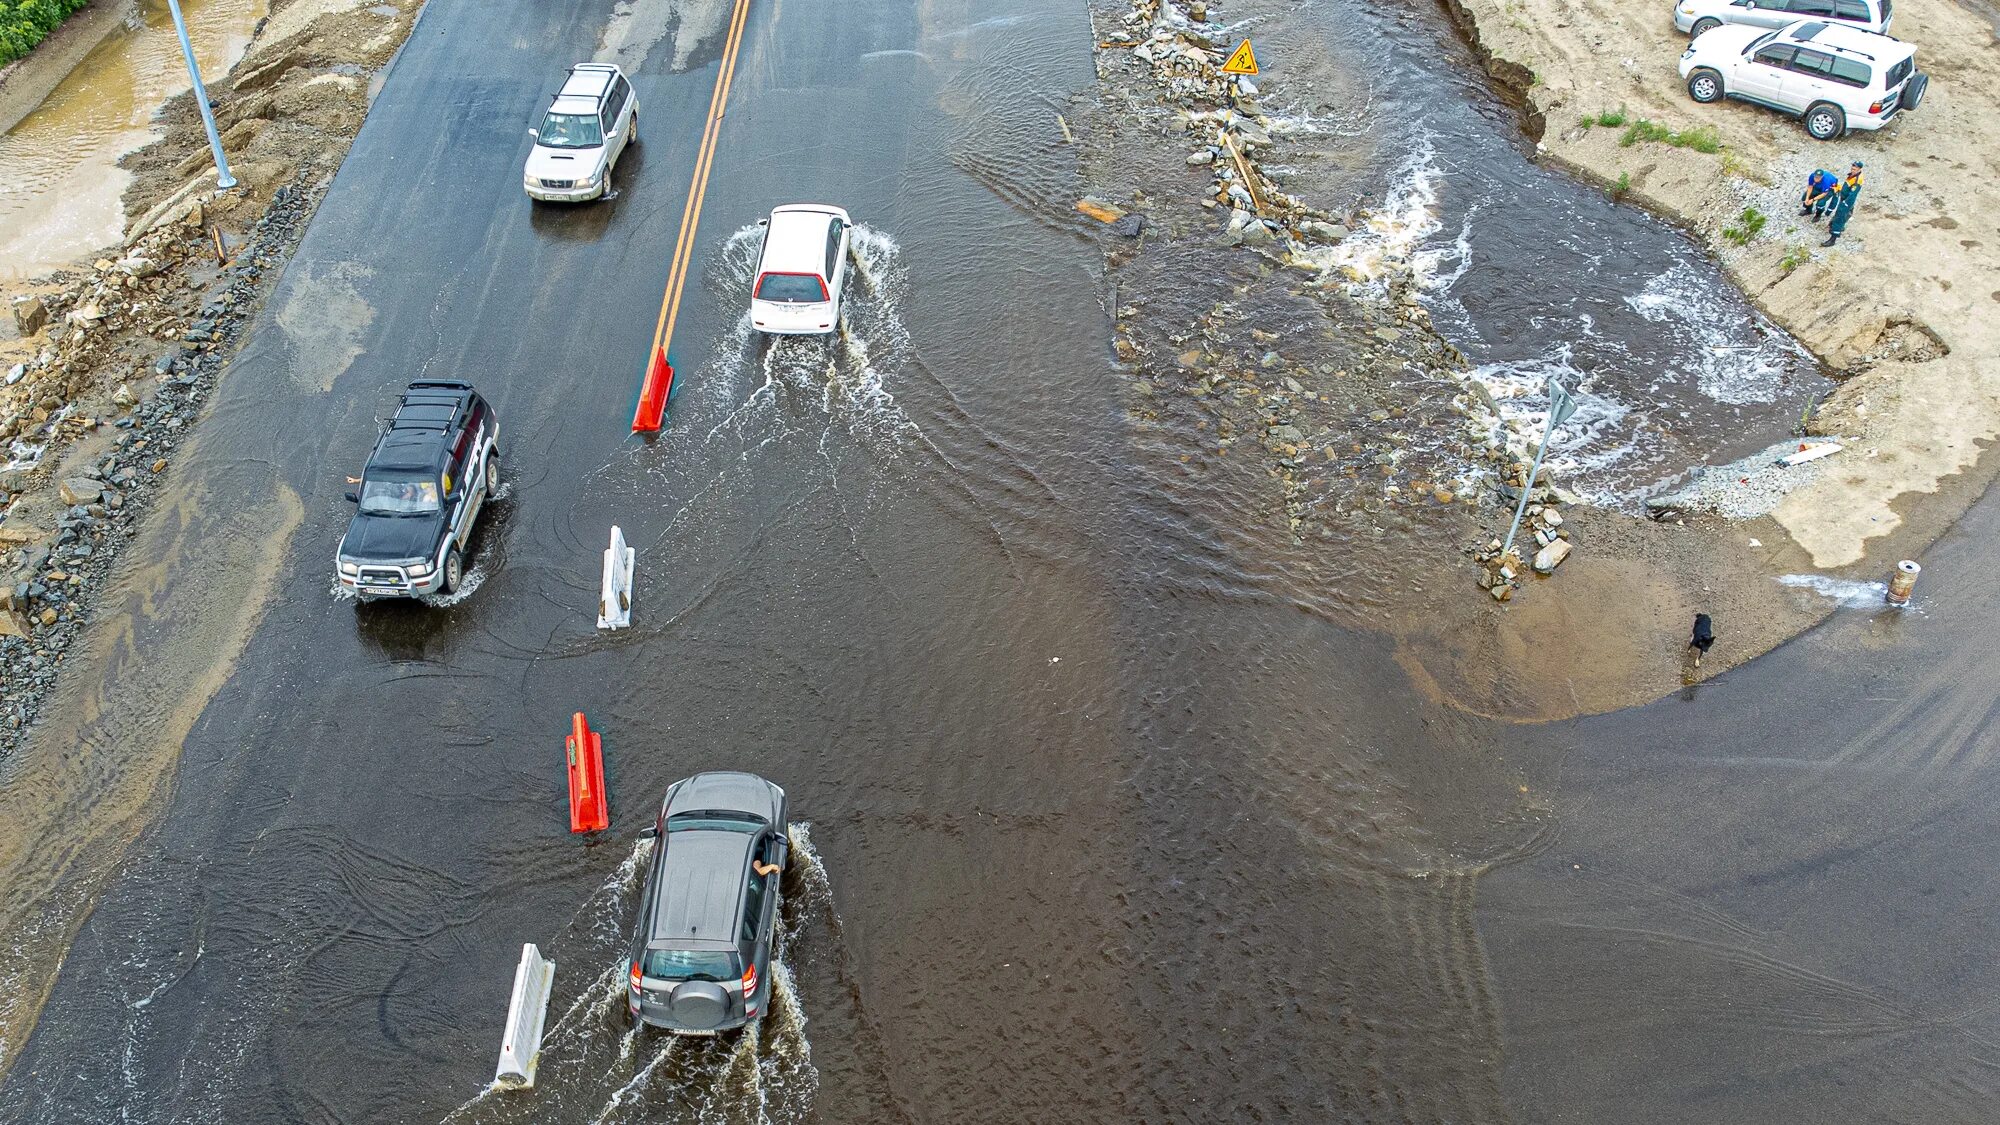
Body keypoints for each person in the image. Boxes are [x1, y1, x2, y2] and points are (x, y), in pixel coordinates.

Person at [1824, 161, 1864, 247]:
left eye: (1854, 169)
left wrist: (1845, 204)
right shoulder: (1853, 175)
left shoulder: (1857, 180)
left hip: (1846, 201)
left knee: (1840, 216)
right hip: (1844, 198)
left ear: (1859, 169)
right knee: (1847, 213)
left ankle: (1832, 239)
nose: (1852, 170)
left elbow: (1852, 195)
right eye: (1852, 168)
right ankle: (1839, 226)